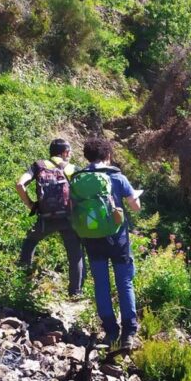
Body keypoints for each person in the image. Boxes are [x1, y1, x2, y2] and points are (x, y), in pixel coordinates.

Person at [76, 138, 141, 348]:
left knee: (101, 283)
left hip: (92, 237)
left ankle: (111, 331)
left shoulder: (79, 178)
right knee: (124, 282)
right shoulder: (117, 177)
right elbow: (136, 206)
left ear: (87, 156)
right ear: (108, 155)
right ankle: (129, 333)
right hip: (117, 239)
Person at [16, 138, 85, 297]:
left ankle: (22, 282)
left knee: (30, 242)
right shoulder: (73, 169)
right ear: (65, 152)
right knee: (75, 254)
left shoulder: (39, 166)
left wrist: (31, 205)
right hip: (68, 218)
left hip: (45, 218)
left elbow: (20, 185)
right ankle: (75, 293)